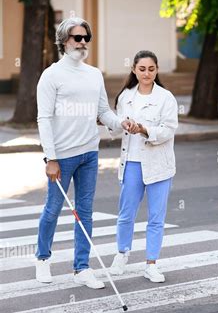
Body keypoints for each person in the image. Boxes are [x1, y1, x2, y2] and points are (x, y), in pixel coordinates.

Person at [35, 17, 133, 288]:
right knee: (53, 209)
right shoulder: (51, 75)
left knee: (85, 212)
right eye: (77, 38)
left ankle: (82, 267)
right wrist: (50, 157)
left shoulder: (94, 74)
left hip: (89, 153)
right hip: (62, 156)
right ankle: (43, 259)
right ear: (64, 41)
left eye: (86, 38)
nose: (82, 43)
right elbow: (43, 118)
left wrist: (120, 123)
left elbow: (103, 111)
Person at [107, 50, 178, 283]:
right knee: (126, 213)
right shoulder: (125, 96)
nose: (146, 73)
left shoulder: (166, 97)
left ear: (156, 70)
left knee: (156, 216)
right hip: (132, 163)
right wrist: (121, 123)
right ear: (134, 70)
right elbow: (114, 128)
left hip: (158, 164)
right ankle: (121, 254)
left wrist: (145, 130)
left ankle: (151, 264)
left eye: (151, 69)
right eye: (142, 69)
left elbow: (168, 130)